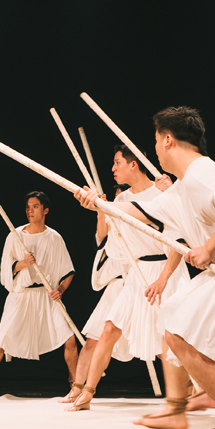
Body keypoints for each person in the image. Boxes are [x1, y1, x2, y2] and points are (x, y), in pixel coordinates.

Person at [77, 106, 215, 429]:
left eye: (157, 140)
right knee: (172, 320)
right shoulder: (184, 186)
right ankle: (177, 409)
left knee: (180, 331)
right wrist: (97, 203)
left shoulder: (202, 172)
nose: (155, 148)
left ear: (168, 140)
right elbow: (139, 211)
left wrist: (209, 248)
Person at [62, 145, 186, 411]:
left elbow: (180, 238)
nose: (113, 168)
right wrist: (98, 207)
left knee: (169, 339)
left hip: (166, 269)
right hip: (137, 273)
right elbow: (109, 243)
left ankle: (193, 389)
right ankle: (87, 393)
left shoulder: (162, 193)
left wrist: (164, 278)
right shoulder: (122, 200)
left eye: (117, 162)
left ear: (133, 164)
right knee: (109, 329)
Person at [0, 191, 78, 398]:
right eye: (28, 207)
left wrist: (60, 291)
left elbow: (69, 271)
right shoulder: (15, 236)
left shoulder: (54, 238)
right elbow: (5, 270)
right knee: (1, 338)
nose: (30, 211)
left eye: (35, 206)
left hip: (46, 295)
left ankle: (76, 383)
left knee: (69, 338)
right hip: (21, 294)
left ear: (45, 210)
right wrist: (23, 263)